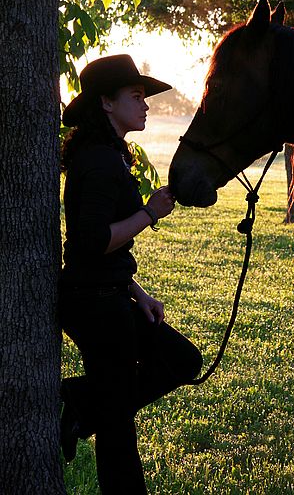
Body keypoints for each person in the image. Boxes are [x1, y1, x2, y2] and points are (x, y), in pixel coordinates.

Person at [59, 54, 203, 494]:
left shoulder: (107, 155)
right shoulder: (101, 161)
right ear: (106, 103)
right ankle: (84, 401)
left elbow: (99, 252)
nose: (145, 105)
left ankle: (83, 402)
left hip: (111, 294)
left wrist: (136, 291)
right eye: (136, 96)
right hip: (95, 304)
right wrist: (149, 213)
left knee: (182, 360)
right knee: (118, 429)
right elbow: (90, 242)